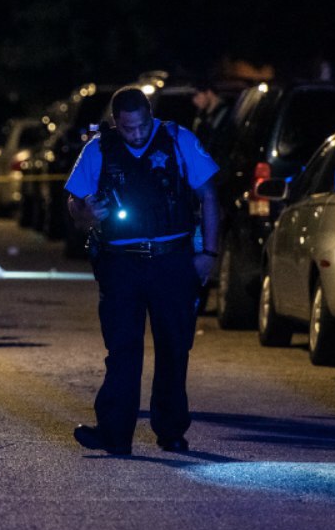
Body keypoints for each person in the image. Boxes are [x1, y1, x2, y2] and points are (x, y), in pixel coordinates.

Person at [65, 85, 220, 455]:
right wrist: (87, 214)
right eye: (127, 128)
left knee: (174, 347)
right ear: (115, 122)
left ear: (151, 116)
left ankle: (171, 431)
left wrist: (209, 253)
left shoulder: (178, 139)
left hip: (172, 260)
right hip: (121, 263)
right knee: (122, 349)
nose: (136, 135)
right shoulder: (99, 148)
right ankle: (114, 435)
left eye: (142, 127)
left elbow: (210, 195)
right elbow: (74, 202)